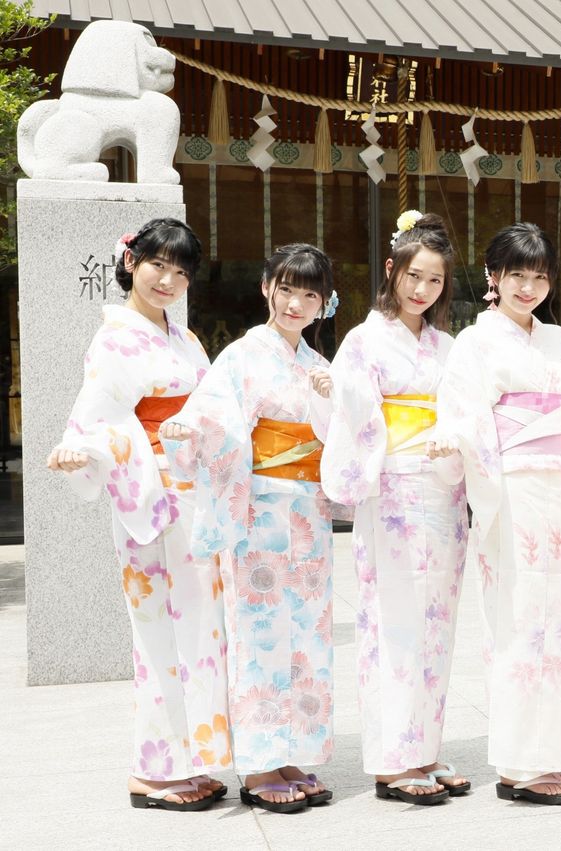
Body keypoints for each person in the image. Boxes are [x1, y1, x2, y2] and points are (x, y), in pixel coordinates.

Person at [47, 218, 229, 811]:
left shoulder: (185, 338)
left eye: (181, 271)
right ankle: (152, 771)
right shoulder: (114, 340)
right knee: (156, 632)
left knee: (197, 630)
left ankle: (190, 760)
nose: (167, 280)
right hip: (151, 494)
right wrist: (82, 451)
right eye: (158, 265)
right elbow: (101, 420)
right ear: (131, 263)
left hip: (193, 493)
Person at [162, 243, 339, 814]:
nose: (295, 304)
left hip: (309, 514)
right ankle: (261, 762)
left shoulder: (318, 366)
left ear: (324, 302)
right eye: (286, 289)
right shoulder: (241, 356)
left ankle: (294, 750)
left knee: (307, 635)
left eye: (309, 294)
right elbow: (210, 416)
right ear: (266, 288)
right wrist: (190, 431)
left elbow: (345, 436)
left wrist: (336, 406)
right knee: (261, 634)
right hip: (259, 509)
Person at [434, 223, 561, 805]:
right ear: (492, 276)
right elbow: (465, 416)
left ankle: (557, 753)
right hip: (513, 489)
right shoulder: (475, 343)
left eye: (539, 276)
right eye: (516, 275)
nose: (528, 287)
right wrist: (473, 461)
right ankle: (519, 764)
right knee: (519, 621)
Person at [321, 211, 471, 805]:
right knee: (393, 621)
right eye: (413, 276)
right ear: (392, 270)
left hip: (443, 490)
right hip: (391, 489)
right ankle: (392, 760)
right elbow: (352, 410)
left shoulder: (448, 346)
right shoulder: (363, 341)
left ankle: (424, 748)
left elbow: (465, 412)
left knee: (437, 623)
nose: (422, 290)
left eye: (434, 280)